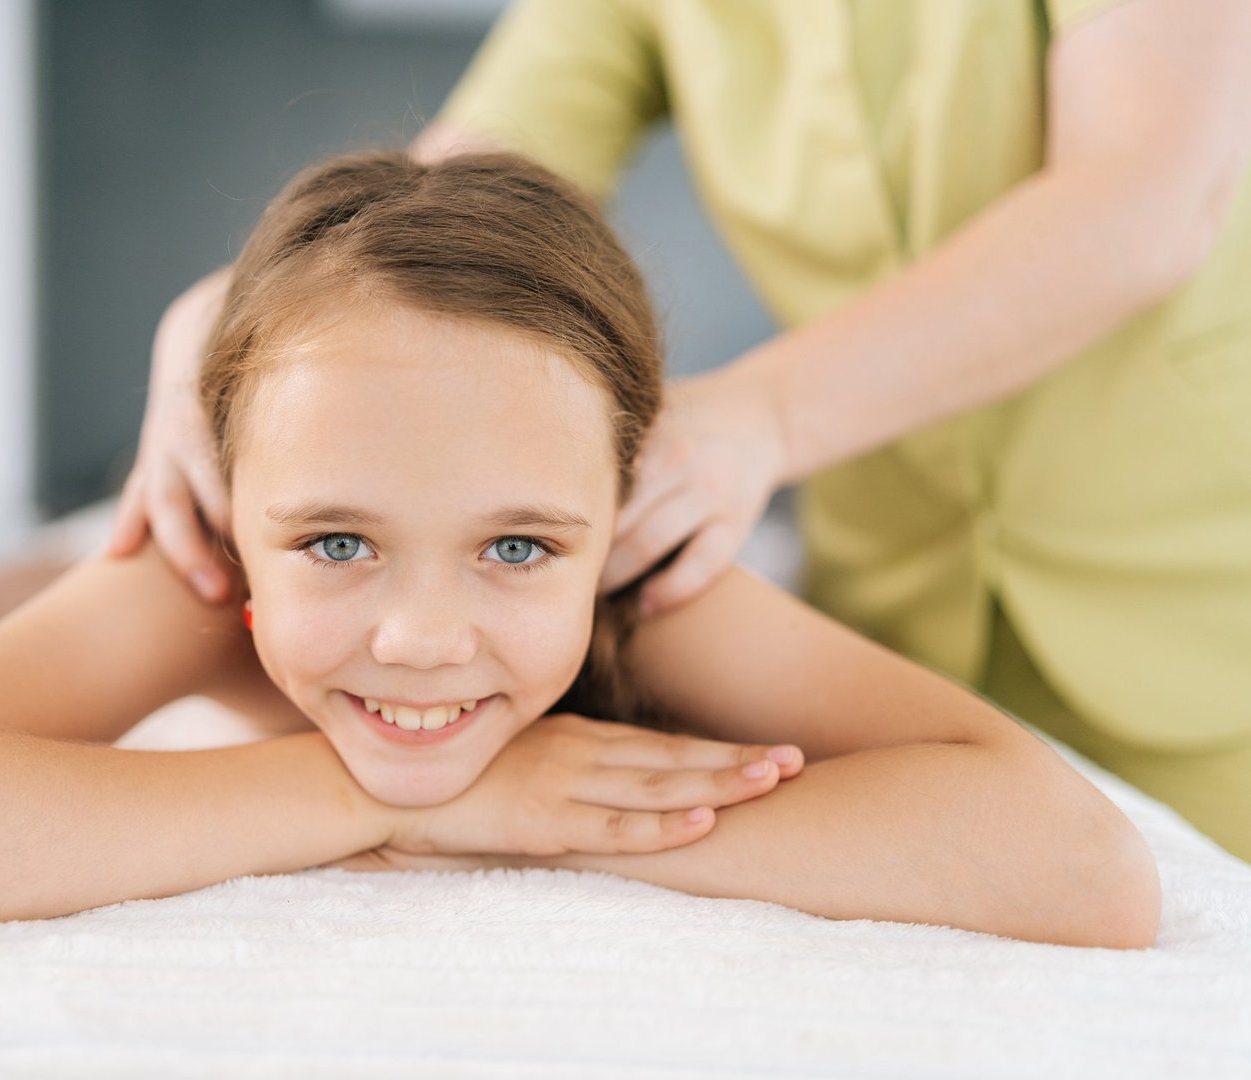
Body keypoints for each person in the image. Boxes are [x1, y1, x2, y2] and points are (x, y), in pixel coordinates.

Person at [0, 150, 1158, 948]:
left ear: (617, 511)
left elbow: (1082, 871)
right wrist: (428, 803)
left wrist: (505, 798)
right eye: (341, 539)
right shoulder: (202, 578)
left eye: (519, 549)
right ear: (235, 510)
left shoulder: (642, 596)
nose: (422, 635)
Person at [109, 0, 1251, 861]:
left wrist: (764, 413)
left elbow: (1142, 200)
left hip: (1195, 590)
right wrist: (231, 314)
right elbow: (454, 201)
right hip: (901, 594)